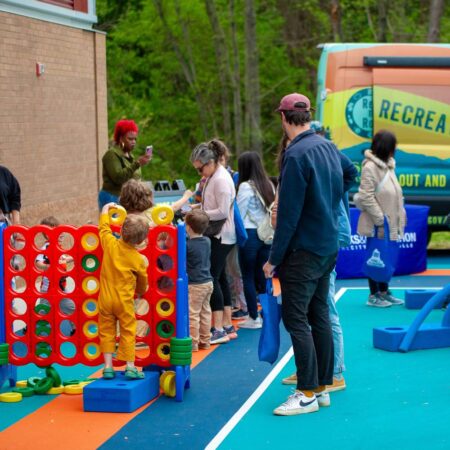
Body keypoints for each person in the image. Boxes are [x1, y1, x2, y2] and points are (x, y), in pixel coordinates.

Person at [263, 93, 357, 416]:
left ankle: (306, 392)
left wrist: (273, 259)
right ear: (308, 116)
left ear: (284, 118)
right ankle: (321, 386)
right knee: (318, 313)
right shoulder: (326, 145)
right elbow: (351, 174)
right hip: (327, 245)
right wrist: (327, 200)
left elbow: (287, 215)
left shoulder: (295, 155)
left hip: (303, 249)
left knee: (296, 317)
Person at [190, 139, 237, 345]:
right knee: (221, 277)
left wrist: (199, 212)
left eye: (200, 169)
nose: (200, 173)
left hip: (222, 234)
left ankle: (218, 328)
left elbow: (222, 211)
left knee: (212, 278)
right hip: (221, 233)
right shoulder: (213, 177)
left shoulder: (220, 180)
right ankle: (226, 323)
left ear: (209, 163)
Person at [98, 203, 149, 380]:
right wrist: (141, 292)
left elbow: (103, 229)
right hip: (124, 301)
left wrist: (105, 210)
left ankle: (107, 367)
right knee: (128, 330)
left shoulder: (110, 244)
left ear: (121, 230)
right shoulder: (138, 259)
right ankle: (130, 366)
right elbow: (142, 282)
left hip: (105, 300)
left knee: (106, 331)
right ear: (139, 241)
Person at [355, 130, 406, 307]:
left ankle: (384, 292)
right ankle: (373, 295)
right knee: (374, 256)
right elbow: (366, 196)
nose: (395, 150)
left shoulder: (389, 166)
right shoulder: (370, 167)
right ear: (387, 148)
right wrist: (379, 219)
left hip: (389, 220)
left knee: (386, 255)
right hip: (377, 224)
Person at [236, 151, 275, 329]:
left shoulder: (245, 187)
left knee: (248, 276)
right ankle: (267, 313)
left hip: (250, 234)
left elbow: (240, 213)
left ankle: (253, 317)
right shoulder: (268, 184)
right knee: (264, 275)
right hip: (266, 235)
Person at [98, 119, 151, 209]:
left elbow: (134, 176)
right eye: (130, 139)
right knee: (116, 223)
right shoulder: (112, 154)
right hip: (112, 197)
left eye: (135, 139)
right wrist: (137, 163)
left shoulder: (129, 155)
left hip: (126, 199)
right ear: (120, 138)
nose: (133, 142)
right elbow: (118, 177)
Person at [185, 209, 214, 351]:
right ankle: (206, 339)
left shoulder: (187, 245)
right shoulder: (207, 241)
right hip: (208, 282)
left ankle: (193, 343)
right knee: (205, 311)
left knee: (193, 313)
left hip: (195, 284)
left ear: (188, 227)